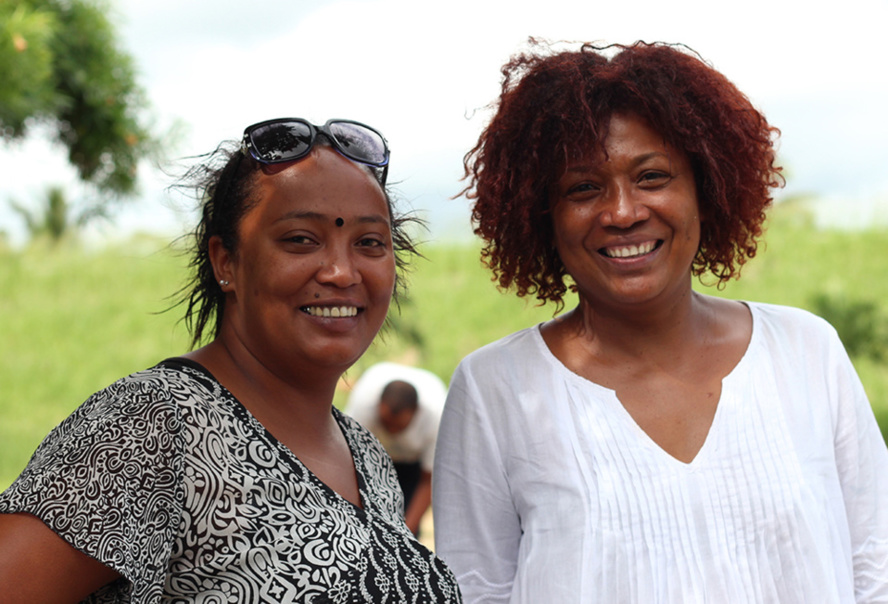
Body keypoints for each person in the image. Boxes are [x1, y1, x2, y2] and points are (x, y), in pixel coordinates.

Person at [432, 40, 888, 603]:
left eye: (652, 177)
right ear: (542, 215)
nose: (622, 211)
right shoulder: (493, 390)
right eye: (583, 188)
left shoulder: (806, 350)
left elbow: (875, 567)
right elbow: (476, 591)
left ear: (707, 189)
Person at [0, 117, 461, 603]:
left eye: (369, 243)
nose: (341, 272)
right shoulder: (155, 424)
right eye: (301, 239)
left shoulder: (367, 456)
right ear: (226, 261)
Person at [345, 362, 447, 536]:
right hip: (371, 461)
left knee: (408, 532)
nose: (391, 431)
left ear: (417, 413)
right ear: (377, 406)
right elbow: (348, 464)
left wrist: (406, 534)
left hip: (414, 466)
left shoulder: (437, 417)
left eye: (398, 427)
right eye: (386, 424)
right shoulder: (363, 405)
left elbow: (428, 481)